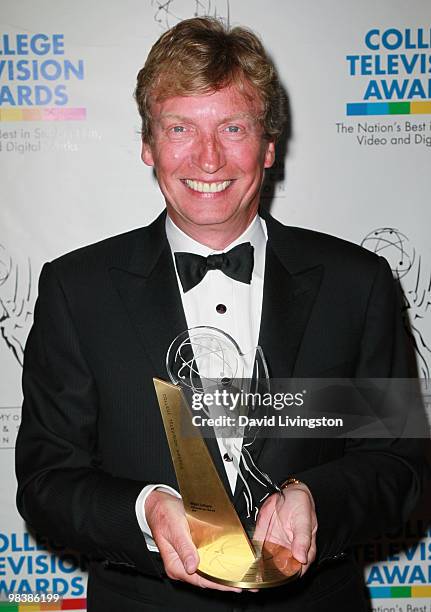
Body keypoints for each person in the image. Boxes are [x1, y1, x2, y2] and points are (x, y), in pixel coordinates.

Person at [16, 16, 423, 612]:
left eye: (233, 127)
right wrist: (144, 510)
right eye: (180, 127)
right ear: (148, 145)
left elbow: (399, 468)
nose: (208, 158)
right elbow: (48, 482)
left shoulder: (355, 284)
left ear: (268, 145)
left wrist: (317, 498)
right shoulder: (77, 291)